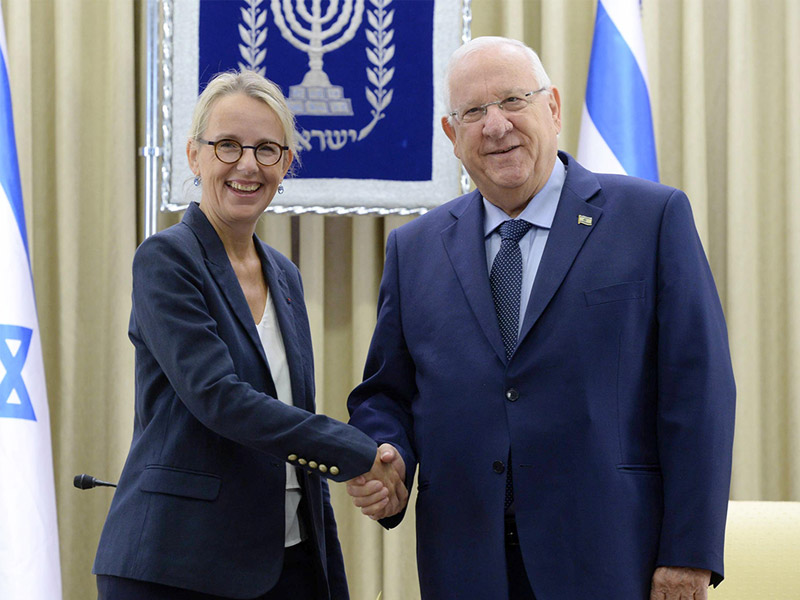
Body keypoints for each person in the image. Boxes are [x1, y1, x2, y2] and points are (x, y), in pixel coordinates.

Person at [346, 37, 735, 600]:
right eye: (473, 112)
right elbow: (385, 394)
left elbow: (699, 394)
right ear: (452, 136)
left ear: (552, 107)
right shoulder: (416, 248)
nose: (496, 126)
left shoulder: (651, 219)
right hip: (465, 563)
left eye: (512, 100)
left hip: (614, 558)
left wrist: (689, 552)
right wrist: (389, 458)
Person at [92, 70, 406, 600]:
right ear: (195, 156)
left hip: (287, 562)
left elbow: (290, 420)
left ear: (286, 164)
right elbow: (220, 399)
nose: (247, 164)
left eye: (266, 149)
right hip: (176, 566)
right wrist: (355, 452)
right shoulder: (167, 259)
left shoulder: (284, 274)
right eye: (228, 145)